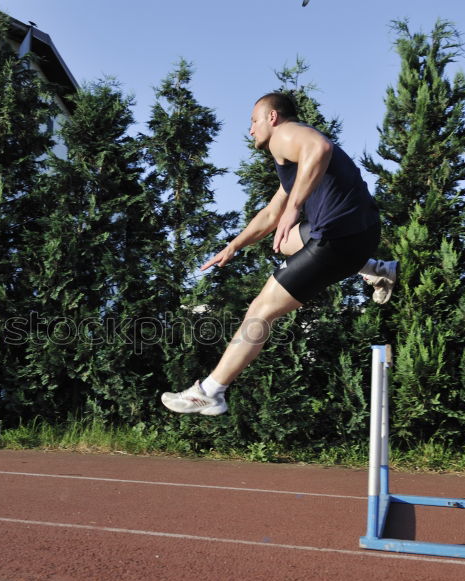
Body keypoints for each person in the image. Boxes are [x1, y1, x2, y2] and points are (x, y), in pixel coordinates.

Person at [161, 92, 397, 416]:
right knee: (285, 240)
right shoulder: (293, 160)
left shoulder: (286, 135)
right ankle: (375, 268)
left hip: (341, 237)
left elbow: (320, 148)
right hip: (359, 234)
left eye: (254, 121)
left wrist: (295, 208)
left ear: (272, 117)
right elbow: (272, 215)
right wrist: (233, 246)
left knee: (261, 309)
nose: (251, 130)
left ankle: (211, 391)